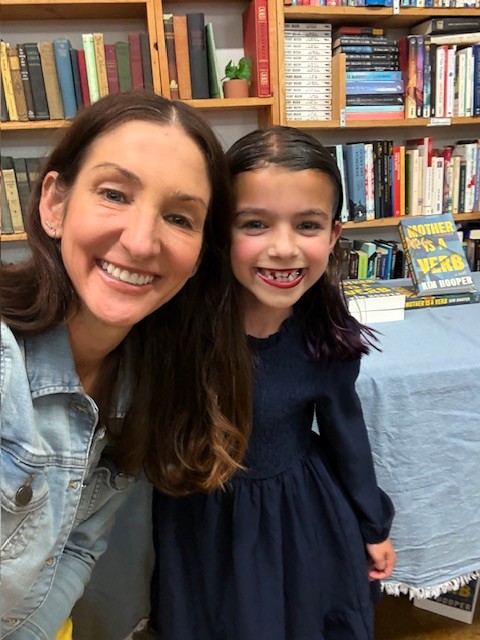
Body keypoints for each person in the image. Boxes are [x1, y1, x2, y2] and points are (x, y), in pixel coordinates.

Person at [0, 91, 252, 640]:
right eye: (114, 194)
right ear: (55, 204)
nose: (140, 242)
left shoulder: (146, 382)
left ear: (201, 254)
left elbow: (76, 546)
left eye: (179, 218)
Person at [146, 126, 396, 640]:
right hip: (201, 528)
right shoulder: (175, 329)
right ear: (220, 231)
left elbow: (347, 435)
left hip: (301, 520)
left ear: (333, 236)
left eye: (307, 225)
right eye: (255, 224)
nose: (283, 248)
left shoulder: (325, 337)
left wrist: (373, 526)